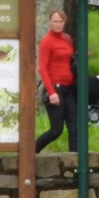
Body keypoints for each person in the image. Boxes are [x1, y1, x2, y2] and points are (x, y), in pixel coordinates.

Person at [35, 10, 78, 153]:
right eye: (55, 21)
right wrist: (51, 92)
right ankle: (31, 151)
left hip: (69, 88)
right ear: (50, 22)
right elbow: (42, 68)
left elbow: (69, 60)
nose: (58, 25)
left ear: (64, 23)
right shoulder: (46, 41)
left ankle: (74, 160)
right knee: (56, 130)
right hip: (55, 89)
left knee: (74, 128)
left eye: (60, 22)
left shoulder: (67, 39)